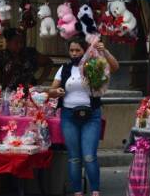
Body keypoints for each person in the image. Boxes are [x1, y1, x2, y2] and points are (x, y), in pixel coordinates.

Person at [48, 36, 119, 196]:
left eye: (77, 50)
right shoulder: (64, 69)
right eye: (71, 50)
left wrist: (104, 51)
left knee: (89, 156)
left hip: (91, 116)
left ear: (85, 50)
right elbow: (51, 91)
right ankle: (77, 192)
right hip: (68, 116)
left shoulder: (93, 64)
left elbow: (114, 67)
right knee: (74, 158)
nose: (74, 53)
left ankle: (95, 191)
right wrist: (56, 92)